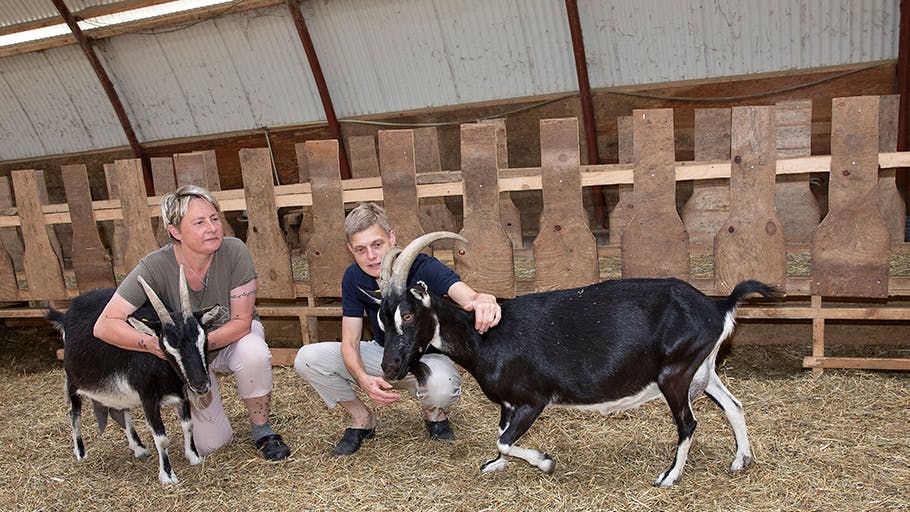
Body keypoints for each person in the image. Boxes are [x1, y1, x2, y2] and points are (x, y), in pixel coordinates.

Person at [93, 185, 291, 461]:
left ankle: (262, 430)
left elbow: (241, 322)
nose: (212, 228)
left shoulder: (234, 251)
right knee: (212, 445)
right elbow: (104, 324)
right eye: (199, 222)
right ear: (175, 231)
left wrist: (195, 344)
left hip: (230, 339)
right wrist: (153, 344)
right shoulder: (154, 267)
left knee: (252, 351)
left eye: (214, 219)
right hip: (188, 360)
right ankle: (210, 413)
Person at [294, 202, 501, 456]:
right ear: (351, 250)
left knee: (442, 385)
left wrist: (484, 300)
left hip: (426, 359)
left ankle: (435, 415)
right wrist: (363, 379)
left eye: (377, 245)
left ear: (391, 237)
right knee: (307, 359)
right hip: (383, 353)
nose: (371, 256)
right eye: (360, 249)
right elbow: (349, 343)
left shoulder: (421, 267)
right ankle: (362, 419)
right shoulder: (353, 278)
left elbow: (468, 297)